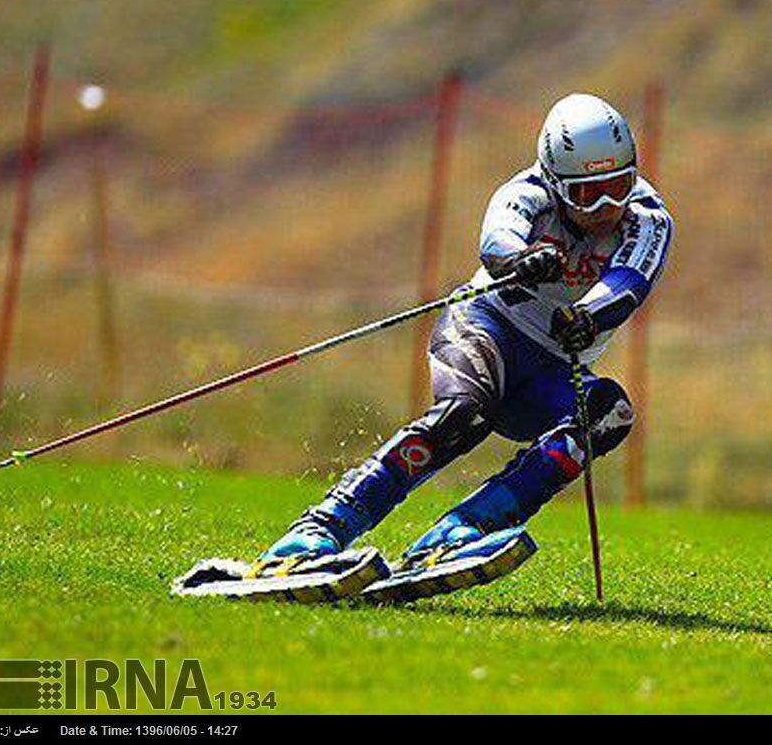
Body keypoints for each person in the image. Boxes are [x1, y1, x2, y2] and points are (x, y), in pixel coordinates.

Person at [262, 92, 674, 568]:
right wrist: (519, 260)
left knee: (609, 414)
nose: (606, 206)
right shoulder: (525, 193)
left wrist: (588, 317)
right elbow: (496, 243)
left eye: (619, 185)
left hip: (555, 363)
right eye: (587, 193)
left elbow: (629, 281)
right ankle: (323, 528)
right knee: (464, 415)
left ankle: (467, 527)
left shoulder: (647, 218)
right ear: (556, 182)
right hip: (485, 327)